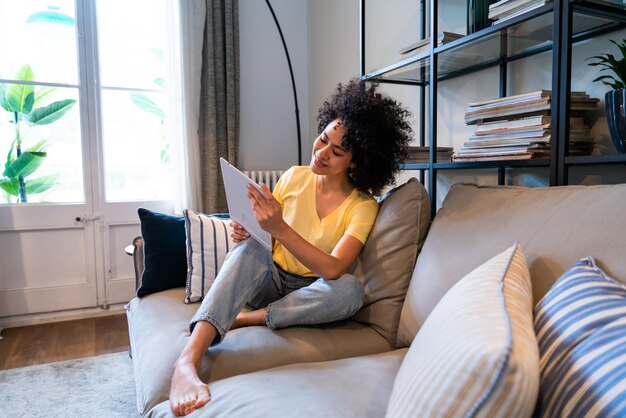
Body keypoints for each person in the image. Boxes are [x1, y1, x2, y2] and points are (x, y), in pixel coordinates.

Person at [169, 78, 413, 416]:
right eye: (323, 139)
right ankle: (187, 361)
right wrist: (252, 231)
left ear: (356, 162)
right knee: (252, 249)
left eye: (337, 151)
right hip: (269, 280)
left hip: (310, 295)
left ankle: (248, 319)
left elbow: (332, 269)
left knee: (351, 290)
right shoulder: (294, 176)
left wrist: (278, 227)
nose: (322, 152)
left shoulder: (363, 206)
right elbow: (268, 241)